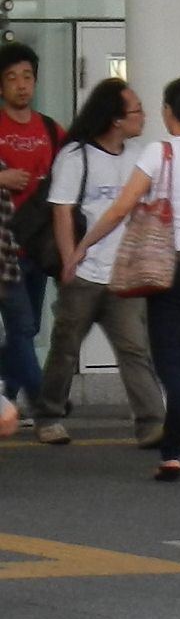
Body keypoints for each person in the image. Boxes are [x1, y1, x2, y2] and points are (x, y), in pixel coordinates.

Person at [74, 78, 180, 488]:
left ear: (169, 111)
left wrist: (84, 246)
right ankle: (170, 457)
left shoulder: (158, 152)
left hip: (172, 268)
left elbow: (120, 209)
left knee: (165, 362)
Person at [33, 78, 163, 449]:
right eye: (136, 110)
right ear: (115, 119)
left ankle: (151, 423)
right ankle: (49, 415)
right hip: (85, 273)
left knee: (134, 349)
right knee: (65, 346)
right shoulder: (76, 156)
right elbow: (62, 212)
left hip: (124, 275)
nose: (143, 115)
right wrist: (69, 259)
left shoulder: (140, 155)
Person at [0, 39, 64, 410]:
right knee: (22, 327)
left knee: (29, 330)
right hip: (4, 245)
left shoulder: (52, 131)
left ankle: (5, 399)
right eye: (12, 78)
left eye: (27, 77)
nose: (22, 85)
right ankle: (44, 403)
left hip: (39, 246)